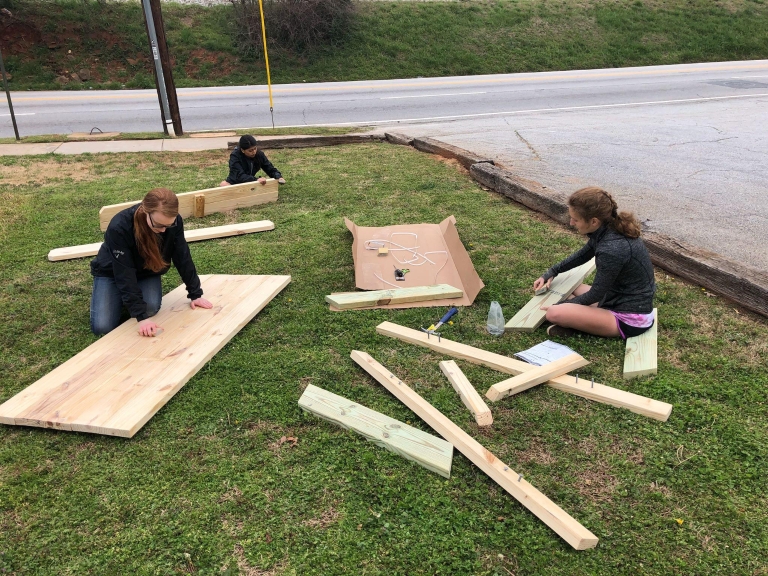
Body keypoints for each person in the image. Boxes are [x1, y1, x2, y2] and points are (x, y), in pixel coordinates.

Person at [533, 187, 656, 339]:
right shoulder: (607, 230)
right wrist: (552, 272)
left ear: (593, 221)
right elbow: (582, 255)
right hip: (613, 299)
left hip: (631, 319)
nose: (571, 223)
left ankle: (577, 322)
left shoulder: (612, 248)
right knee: (566, 283)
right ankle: (579, 321)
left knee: (554, 313)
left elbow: (596, 293)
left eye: (575, 219)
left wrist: (559, 306)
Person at [90, 188, 213, 337]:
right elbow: (124, 273)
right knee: (102, 326)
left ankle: (127, 297)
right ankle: (120, 295)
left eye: (168, 225)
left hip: (146, 270)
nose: (163, 230)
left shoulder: (173, 222)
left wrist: (195, 293)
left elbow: (183, 256)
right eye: (159, 225)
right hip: (112, 271)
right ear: (145, 211)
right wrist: (141, 318)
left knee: (151, 308)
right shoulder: (120, 226)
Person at [219, 134, 286, 187]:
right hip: (235, 182)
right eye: (250, 150)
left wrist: (278, 176)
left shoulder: (259, 154)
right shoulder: (235, 156)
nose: (254, 152)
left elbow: (269, 168)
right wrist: (256, 179)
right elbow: (239, 176)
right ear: (242, 150)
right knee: (223, 185)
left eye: (255, 149)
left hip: (251, 182)